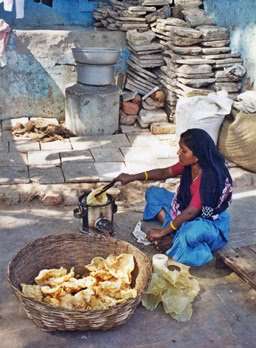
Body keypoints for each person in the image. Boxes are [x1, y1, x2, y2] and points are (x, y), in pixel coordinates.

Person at [114, 128, 232, 267]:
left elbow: (191, 212)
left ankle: (175, 238)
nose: (178, 153)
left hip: (209, 222)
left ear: (197, 156)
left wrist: (162, 232)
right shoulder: (190, 165)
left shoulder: (209, 178)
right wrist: (132, 177)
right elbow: (165, 172)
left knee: (191, 233)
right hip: (185, 209)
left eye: (183, 151)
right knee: (153, 193)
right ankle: (176, 234)